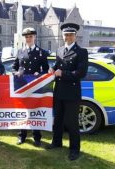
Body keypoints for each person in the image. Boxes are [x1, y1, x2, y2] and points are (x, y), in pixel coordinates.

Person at [46, 23, 88, 161]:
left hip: (71, 93)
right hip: (58, 92)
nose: (68, 37)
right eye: (65, 35)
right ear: (63, 36)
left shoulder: (81, 52)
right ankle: (57, 142)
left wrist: (62, 73)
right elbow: (57, 65)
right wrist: (52, 69)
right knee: (57, 120)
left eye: (70, 34)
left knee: (71, 123)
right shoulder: (59, 50)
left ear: (75, 36)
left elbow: (81, 73)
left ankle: (74, 149)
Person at [12, 27, 49, 147]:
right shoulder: (20, 51)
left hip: (35, 87)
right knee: (22, 112)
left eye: (31, 36)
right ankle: (21, 136)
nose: (28, 39)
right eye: (26, 37)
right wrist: (16, 73)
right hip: (22, 87)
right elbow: (14, 67)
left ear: (35, 37)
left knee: (35, 112)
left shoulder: (41, 52)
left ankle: (36, 137)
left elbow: (46, 69)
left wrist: (40, 74)